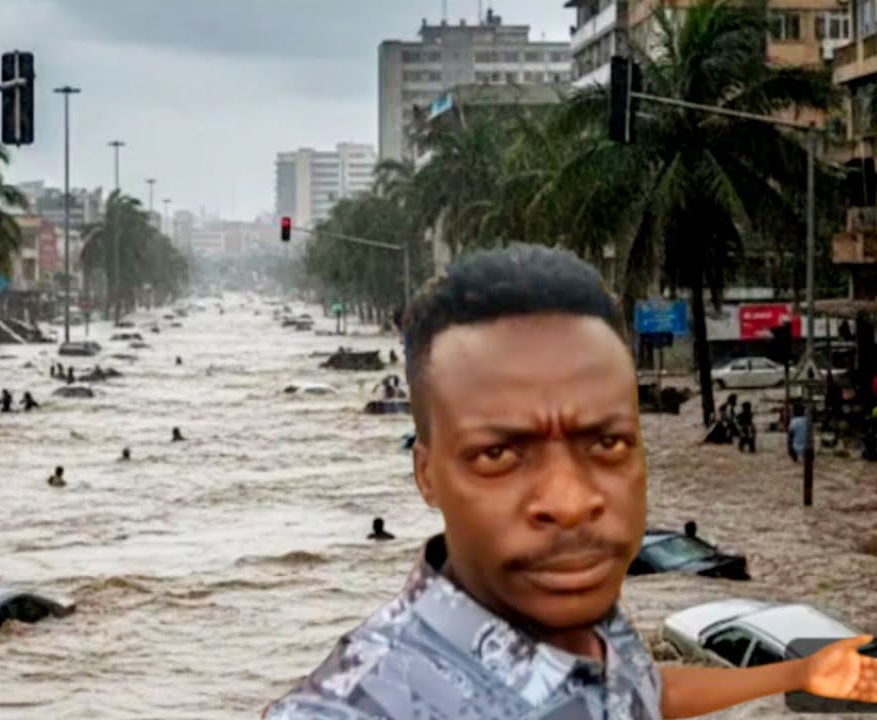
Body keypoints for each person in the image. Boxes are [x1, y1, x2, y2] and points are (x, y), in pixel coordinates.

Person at [264, 244, 877, 720]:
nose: (572, 501)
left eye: (606, 443)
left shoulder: (597, 621)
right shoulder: (365, 701)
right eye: (500, 453)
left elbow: (639, 694)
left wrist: (796, 677)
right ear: (427, 474)